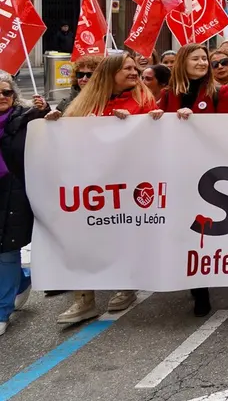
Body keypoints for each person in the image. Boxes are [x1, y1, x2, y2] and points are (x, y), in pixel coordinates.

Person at [47, 55, 163, 324]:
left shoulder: (143, 99)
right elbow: (68, 137)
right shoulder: (86, 100)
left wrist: (150, 119)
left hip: (128, 182)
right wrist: (54, 123)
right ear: (111, 73)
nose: (135, 72)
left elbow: (153, 137)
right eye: (128, 69)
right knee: (83, 236)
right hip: (91, 182)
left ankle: (126, 285)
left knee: (121, 232)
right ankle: (84, 299)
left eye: (136, 68)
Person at [158, 44, 228, 317]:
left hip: (206, 174)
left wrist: (197, 122)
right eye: (197, 59)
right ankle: (190, 278)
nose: (203, 63)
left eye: (206, 59)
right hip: (176, 170)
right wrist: (157, 118)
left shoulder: (219, 92)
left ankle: (201, 287)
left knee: (200, 231)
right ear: (183, 62)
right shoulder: (167, 94)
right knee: (181, 229)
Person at [0, 74, 50, 337]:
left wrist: (45, 110)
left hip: (15, 192)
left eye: (6, 92)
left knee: (7, 251)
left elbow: (50, 129)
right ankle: (22, 281)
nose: (2, 97)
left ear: (14, 95)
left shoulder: (26, 117)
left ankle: (1, 311)